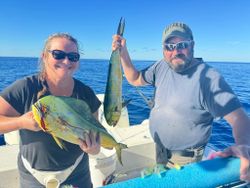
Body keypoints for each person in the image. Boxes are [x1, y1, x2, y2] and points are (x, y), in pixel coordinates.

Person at [112, 22, 250, 181]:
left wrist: (244, 145)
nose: (175, 51)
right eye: (169, 46)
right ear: (163, 49)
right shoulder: (161, 66)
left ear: (192, 45)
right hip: (160, 151)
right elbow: (135, 78)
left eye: (182, 45)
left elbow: (239, 118)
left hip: (186, 161)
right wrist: (123, 53)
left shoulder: (209, 78)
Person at [0, 33, 101, 188]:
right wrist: (21, 122)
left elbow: (97, 138)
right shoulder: (25, 88)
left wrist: (94, 149)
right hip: (33, 177)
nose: (66, 61)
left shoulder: (86, 93)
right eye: (58, 54)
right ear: (44, 56)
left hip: (77, 173)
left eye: (73, 56)